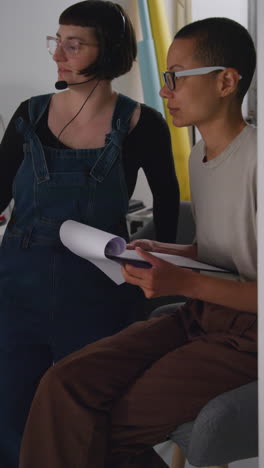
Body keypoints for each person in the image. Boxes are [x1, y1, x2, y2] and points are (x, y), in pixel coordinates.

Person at [19, 16, 257, 468]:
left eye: (175, 78)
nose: (165, 91)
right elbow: (229, 254)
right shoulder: (203, 160)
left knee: (100, 423)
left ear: (226, 81)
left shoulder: (257, 163)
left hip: (249, 338)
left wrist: (183, 284)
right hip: (202, 317)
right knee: (64, 382)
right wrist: (170, 252)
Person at [0, 1, 180, 467]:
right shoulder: (29, 116)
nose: (58, 54)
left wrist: (160, 262)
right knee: (11, 408)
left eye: (73, 45)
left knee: (97, 414)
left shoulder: (144, 124)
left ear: (111, 50)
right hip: (18, 289)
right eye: (56, 41)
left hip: (100, 293)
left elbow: (167, 205)